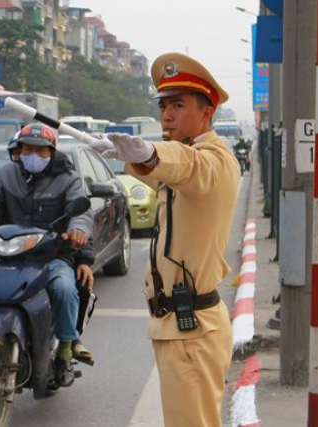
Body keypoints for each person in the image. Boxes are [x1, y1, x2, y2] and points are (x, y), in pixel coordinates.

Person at [91, 52, 239, 427]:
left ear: (207, 113)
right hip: (177, 326)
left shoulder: (215, 160)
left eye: (178, 105)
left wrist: (151, 151)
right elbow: (166, 175)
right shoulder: (185, 162)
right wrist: (128, 157)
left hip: (193, 330)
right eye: (163, 106)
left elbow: (187, 167)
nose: (166, 116)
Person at [0, 123, 94, 387]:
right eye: (28, 149)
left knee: (64, 288)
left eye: (41, 151)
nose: (34, 155)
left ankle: (65, 349)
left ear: (51, 153)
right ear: (18, 152)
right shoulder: (5, 175)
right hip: (9, 255)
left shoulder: (69, 178)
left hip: (52, 255)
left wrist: (77, 230)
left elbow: (81, 213)